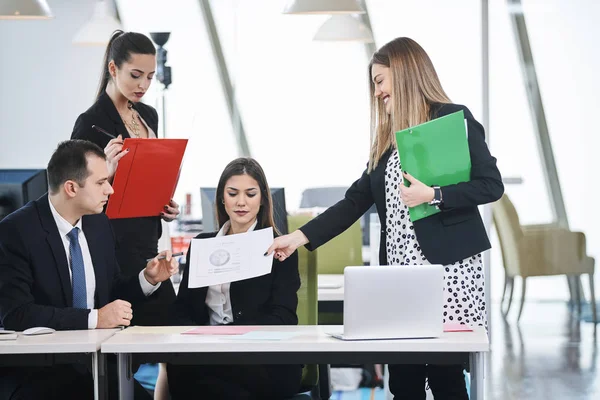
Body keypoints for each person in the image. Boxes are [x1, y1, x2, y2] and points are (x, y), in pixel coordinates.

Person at [267, 37, 504, 400]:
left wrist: (435, 196)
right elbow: (353, 202)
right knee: (403, 381)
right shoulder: (387, 143)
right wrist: (297, 238)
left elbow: (490, 185)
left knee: (446, 379)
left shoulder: (452, 119)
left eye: (380, 81)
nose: (377, 92)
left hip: (448, 274)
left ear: (405, 73)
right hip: (400, 276)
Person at [0, 140, 178, 400]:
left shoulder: (99, 224)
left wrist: (147, 279)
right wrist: (95, 319)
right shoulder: (16, 231)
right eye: (100, 182)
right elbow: (16, 314)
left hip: (97, 368)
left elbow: (111, 291)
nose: (111, 189)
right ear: (71, 188)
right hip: (40, 373)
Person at [156, 158, 302, 400]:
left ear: (263, 199)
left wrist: (229, 336)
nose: (241, 202)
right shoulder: (203, 245)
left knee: (217, 386)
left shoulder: (279, 248)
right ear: (222, 198)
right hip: (207, 355)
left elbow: (284, 317)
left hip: (260, 358)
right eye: (233, 193)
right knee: (186, 374)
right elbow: (182, 310)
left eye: (250, 194)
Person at [71, 30, 179, 326]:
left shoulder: (149, 115)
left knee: (171, 335)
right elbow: (74, 195)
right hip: (113, 248)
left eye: (150, 76)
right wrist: (105, 168)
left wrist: (165, 203)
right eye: (135, 75)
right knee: (127, 341)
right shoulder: (90, 123)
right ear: (113, 68)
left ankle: (165, 376)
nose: (143, 85)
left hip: (148, 240)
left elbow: (149, 177)